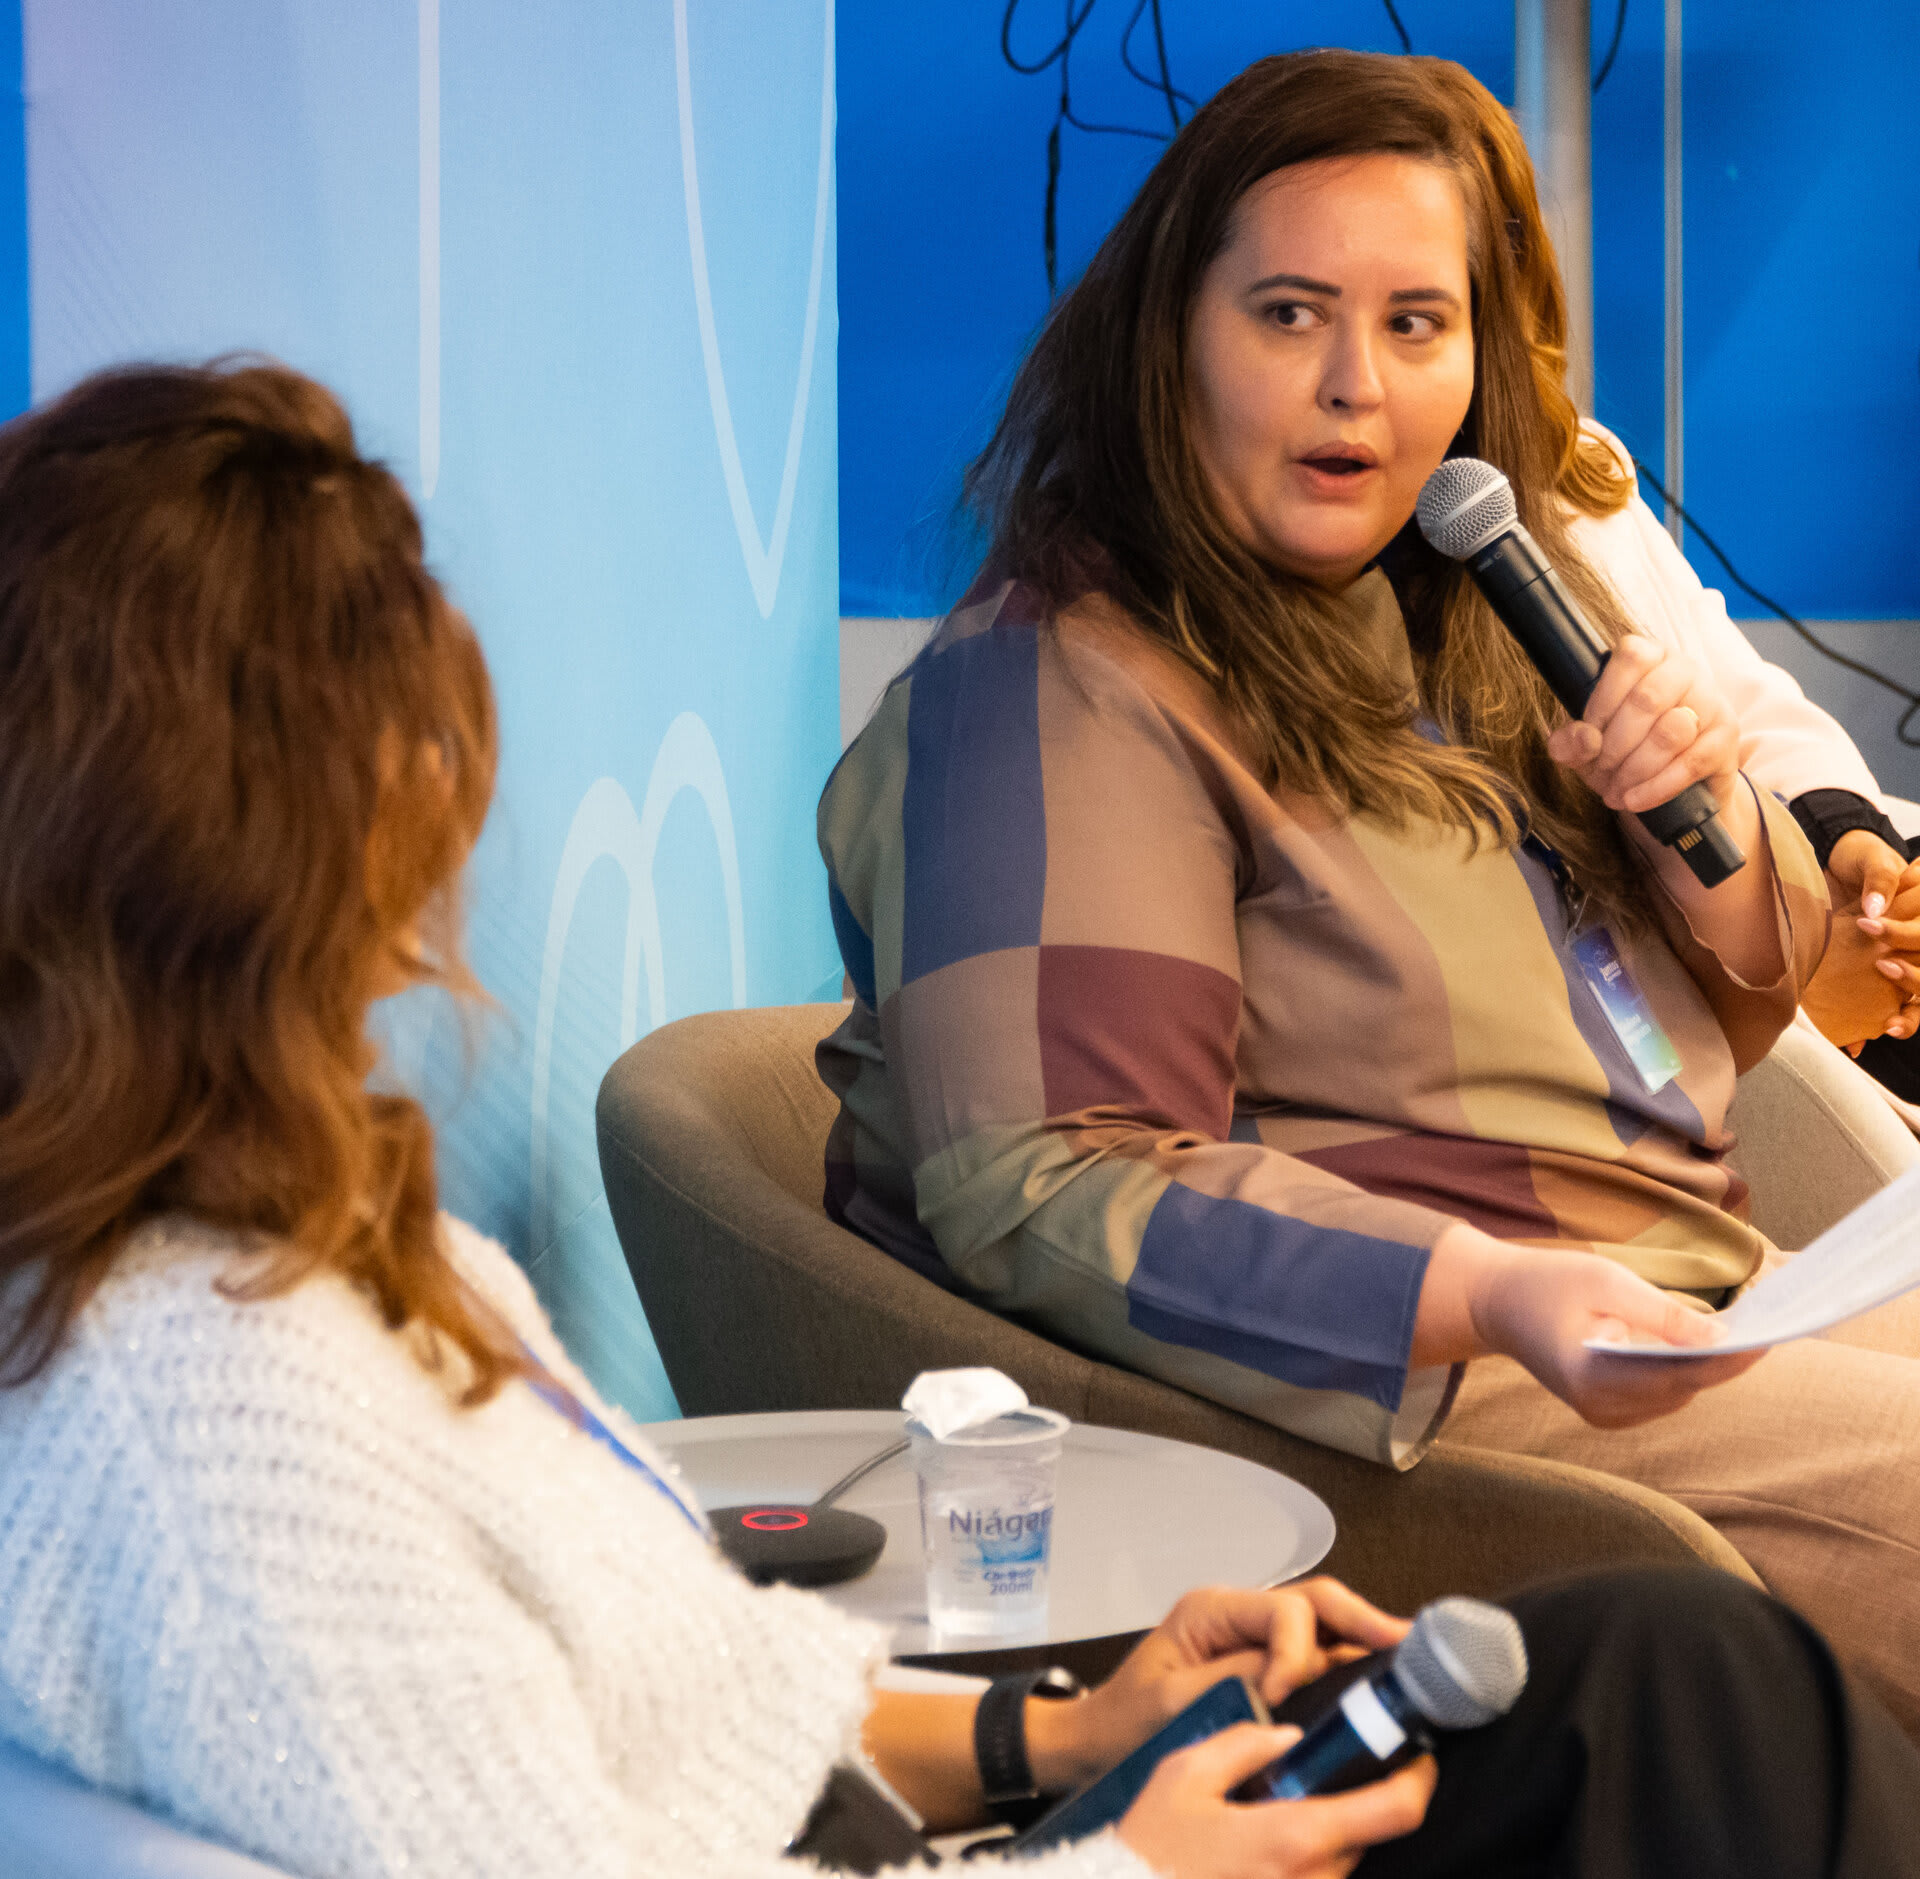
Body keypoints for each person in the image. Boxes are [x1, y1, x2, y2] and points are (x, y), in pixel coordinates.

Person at [7, 360, 1916, 1879]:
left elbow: (702, 1687)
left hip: (961, 1826)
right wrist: (1131, 1860)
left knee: (1676, 1678)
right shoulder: (213, 1429)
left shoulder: (337, 1265)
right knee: (1707, 1721)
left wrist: (1062, 1730)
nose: (437, 865)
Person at [815, 48, 1920, 1737]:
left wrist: (1686, 813)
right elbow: (1047, 1179)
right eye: (1289, 316)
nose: (1358, 386)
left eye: (1417, 324)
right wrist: (1483, 1293)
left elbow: (1719, 1026)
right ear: (1170, 336)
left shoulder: (1464, 618)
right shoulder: (1057, 686)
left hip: (1691, 1291)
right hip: (1423, 1387)